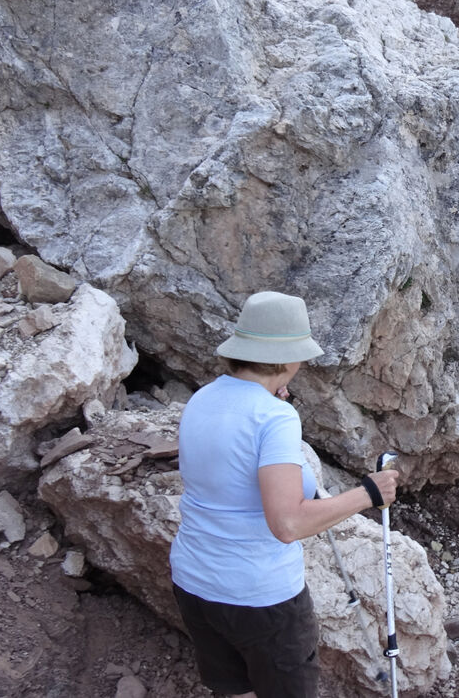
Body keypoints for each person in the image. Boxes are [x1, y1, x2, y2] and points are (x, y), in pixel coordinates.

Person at [169, 291, 400, 698]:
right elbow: (288, 523)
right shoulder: (275, 416)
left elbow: (230, 472)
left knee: (233, 690)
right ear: (289, 358)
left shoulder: (202, 399)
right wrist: (369, 493)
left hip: (194, 583)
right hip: (260, 598)